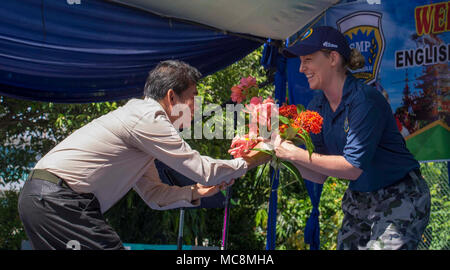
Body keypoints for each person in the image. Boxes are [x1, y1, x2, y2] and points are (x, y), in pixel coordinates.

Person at [18, 60, 269, 250]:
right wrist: (255, 157)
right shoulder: (147, 117)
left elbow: (152, 194)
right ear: (172, 96)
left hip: (46, 201)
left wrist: (194, 192)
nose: (196, 106)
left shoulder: (141, 128)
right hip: (56, 201)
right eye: (193, 98)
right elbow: (203, 169)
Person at [276, 26, 430, 250]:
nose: (301, 69)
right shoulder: (317, 106)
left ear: (333, 58)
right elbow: (318, 175)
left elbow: (352, 167)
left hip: (400, 195)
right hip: (359, 199)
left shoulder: (364, 100)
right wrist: (278, 155)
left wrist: (294, 153)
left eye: (308, 59)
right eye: (300, 62)